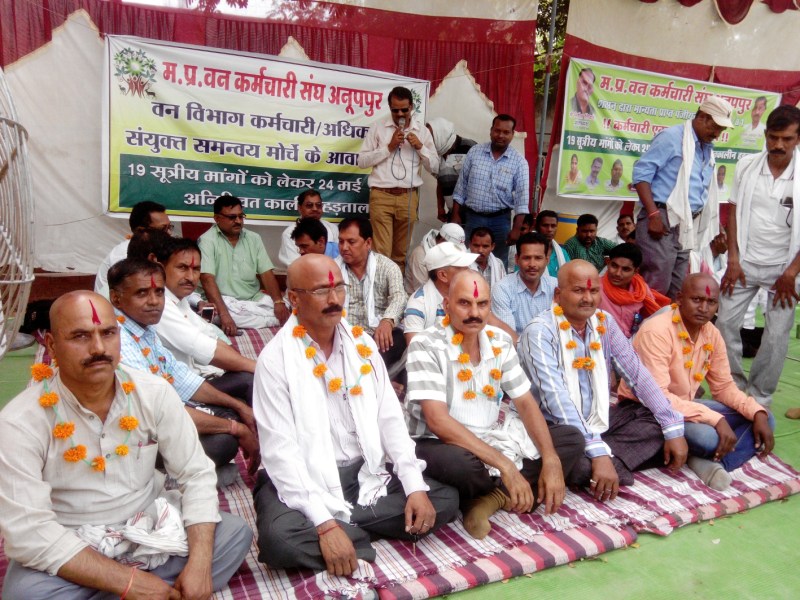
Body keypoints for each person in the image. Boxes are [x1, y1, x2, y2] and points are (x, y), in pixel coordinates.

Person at [0, 291, 251, 598]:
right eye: (80, 336)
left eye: (108, 333)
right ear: (51, 345)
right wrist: (128, 583)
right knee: (24, 594)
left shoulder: (153, 392)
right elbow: (30, 530)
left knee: (234, 535)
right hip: (73, 540)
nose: (98, 348)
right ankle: (153, 589)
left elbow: (196, 473)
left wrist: (199, 565)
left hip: (147, 528)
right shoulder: (20, 421)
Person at [251, 254, 459, 574]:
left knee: (443, 498)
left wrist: (414, 487)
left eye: (339, 288)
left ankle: (346, 530)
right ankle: (344, 529)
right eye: (321, 291)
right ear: (293, 298)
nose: (334, 299)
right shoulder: (275, 360)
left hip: (363, 474)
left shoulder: (362, 344)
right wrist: (323, 524)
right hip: (301, 478)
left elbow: (390, 419)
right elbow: (280, 454)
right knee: (279, 540)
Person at [405, 272, 584, 539]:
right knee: (460, 465)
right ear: (446, 305)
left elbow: (525, 402)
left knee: (570, 439)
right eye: (464, 303)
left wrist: (550, 458)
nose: (474, 313)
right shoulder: (425, 345)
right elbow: (437, 421)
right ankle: (504, 489)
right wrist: (506, 466)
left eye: (482, 304)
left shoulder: (499, 341)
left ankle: (490, 498)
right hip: (438, 442)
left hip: (490, 436)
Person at [519, 261, 688, 501]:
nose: (588, 298)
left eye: (593, 291)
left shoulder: (604, 322)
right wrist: (597, 453)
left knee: (655, 421)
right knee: (578, 461)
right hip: (556, 429)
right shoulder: (539, 332)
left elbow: (637, 373)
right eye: (579, 290)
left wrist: (671, 427)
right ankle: (609, 462)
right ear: (558, 295)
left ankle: (606, 463)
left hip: (600, 419)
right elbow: (557, 401)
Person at [108, 259, 260, 478]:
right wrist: (234, 427)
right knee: (223, 441)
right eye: (142, 293)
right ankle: (165, 477)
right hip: (142, 435)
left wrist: (238, 407)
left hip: (171, 406)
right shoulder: (117, 340)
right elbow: (162, 413)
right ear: (116, 298)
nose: (154, 301)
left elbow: (182, 379)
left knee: (237, 403)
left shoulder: (145, 328)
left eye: (159, 292)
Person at [621, 274, 774, 490]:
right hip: (646, 410)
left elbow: (723, 386)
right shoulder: (657, 331)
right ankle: (706, 456)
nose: (704, 308)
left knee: (764, 418)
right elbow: (658, 397)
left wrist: (756, 412)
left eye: (711, 302)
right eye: (697, 300)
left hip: (685, 406)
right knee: (708, 438)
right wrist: (716, 420)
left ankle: (714, 463)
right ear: (679, 298)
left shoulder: (712, 333)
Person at [719, 104, 800, 410]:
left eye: (787, 139)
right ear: (765, 135)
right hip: (744, 263)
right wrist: (733, 259)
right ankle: (732, 389)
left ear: (798, 139)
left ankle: (759, 397)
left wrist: (792, 272)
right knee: (724, 323)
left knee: (777, 336)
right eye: (773, 137)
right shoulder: (747, 165)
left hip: (786, 268)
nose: (778, 145)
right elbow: (734, 211)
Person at [633, 96, 733, 299]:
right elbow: (641, 176)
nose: (717, 134)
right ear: (702, 117)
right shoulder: (671, 137)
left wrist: (718, 228)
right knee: (656, 285)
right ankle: (648, 321)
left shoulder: (706, 149)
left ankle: (667, 322)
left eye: (721, 130)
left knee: (678, 287)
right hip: (662, 217)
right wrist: (653, 214)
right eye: (716, 127)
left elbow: (702, 193)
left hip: (687, 224)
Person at [154, 237, 256, 404]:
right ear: (160, 268)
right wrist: (258, 368)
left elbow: (211, 338)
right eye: (182, 268)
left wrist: (247, 365)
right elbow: (205, 348)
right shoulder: (159, 304)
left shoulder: (180, 300)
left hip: (198, 379)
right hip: (181, 392)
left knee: (247, 375)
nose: (191, 277)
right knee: (250, 380)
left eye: (196, 269)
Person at [357, 86, 439, 270]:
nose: (400, 114)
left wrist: (421, 147)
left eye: (404, 110)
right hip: (381, 195)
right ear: (389, 108)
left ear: (411, 107)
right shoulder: (378, 128)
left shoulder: (422, 131)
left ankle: (396, 287)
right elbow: (362, 161)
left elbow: (434, 166)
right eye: (395, 110)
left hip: (407, 197)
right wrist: (388, 147)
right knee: (382, 252)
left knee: (400, 254)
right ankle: (380, 287)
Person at [198, 194, 289, 334]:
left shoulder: (254, 238)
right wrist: (225, 315)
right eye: (232, 217)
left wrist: (278, 302)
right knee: (214, 314)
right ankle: (270, 320)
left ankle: (261, 318)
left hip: (252, 299)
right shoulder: (207, 240)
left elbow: (266, 273)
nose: (238, 221)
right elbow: (207, 279)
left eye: (241, 216)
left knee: (287, 306)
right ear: (217, 218)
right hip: (223, 301)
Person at [451, 114, 530, 268]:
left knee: (498, 262)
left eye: (506, 132)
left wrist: (516, 229)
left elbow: (522, 200)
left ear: (512, 134)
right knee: (468, 260)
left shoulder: (519, 162)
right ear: (491, 131)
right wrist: (455, 214)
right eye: (497, 130)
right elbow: (461, 187)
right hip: (473, 217)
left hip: (500, 221)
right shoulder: (475, 152)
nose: (500, 135)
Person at [404, 242, 514, 344]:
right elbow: (415, 348)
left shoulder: (471, 295)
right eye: (462, 268)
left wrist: (518, 345)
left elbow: (496, 324)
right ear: (443, 275)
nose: (469, 270)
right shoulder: (418, 304)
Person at [336, 217, 408, 373]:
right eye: (341, 242)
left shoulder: (387, 267)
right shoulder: (332, 269)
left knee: (397, 340)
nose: (344, 247)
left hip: (377, 336)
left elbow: (399, 297)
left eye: (351, 242)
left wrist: (387, 321)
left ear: (368, 243)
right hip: (343, 335)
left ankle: (369, 376)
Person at [95, 201, 173, 298]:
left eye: (170, 227)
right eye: (163, 229)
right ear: (140, 231)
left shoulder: (159, 248)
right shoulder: (124, 255)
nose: (169, 233)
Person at [599, 243, 671, 338]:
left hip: (633, 338)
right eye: (614, 266)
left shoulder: (640, 289)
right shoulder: (595, 288)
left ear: (636, 271)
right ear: (608, 263)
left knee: (667, 310)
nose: (617, 273)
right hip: (603, 338)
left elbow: (650, 317)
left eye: (625, 269)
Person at [491, 232, 556, 335]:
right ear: (517, 259)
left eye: (538, 258)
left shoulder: (556, 286)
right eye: (526, 258)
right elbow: (508, 336)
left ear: (547, 260)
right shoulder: (502, 289)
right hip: (516, 345)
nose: (532, 264)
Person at [426, 117, 477, 222]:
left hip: (473, 214)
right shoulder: (437, 154)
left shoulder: (470, 147)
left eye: (430, 136)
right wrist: (440, 208)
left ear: (441, 134)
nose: (427, 139)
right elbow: (441, 182)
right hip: (452, 214)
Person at [278, 189, 340, 267]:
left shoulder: (332, 228)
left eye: (318, 205)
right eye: (309, 205)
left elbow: (339, 258)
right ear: (300, 208)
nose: (315, 209)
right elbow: (295, 265)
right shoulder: (289, 233)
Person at [404, 222, 465, 294]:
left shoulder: (449, 253)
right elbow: (422, 291)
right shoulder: (420, 255)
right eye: (453, 248)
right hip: (417, 296)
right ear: (442, 240)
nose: (455, 252)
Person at [534, 210, 569, 276]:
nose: (549, 229)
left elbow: (568, 275)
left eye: (553, 226)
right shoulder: (528, 251)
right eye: (545, 225)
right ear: (537, 227)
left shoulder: (563, 253)